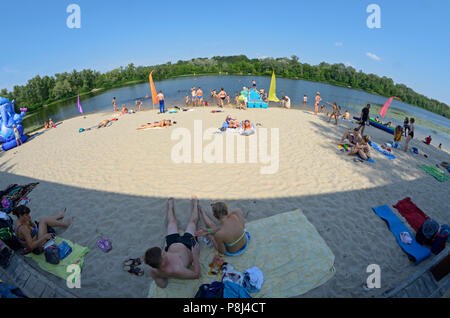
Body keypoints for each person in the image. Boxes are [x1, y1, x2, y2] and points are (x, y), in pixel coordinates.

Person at [144, 197, 201, 288]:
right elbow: (196, 275)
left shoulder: (154, 271)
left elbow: (162, 284)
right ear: (163, 263)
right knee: (192, 223)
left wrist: (163, 279)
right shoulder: (177, 269)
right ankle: (195, 204)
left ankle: (170, 206)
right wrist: (194, 254)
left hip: (172, 244)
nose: (164, 252)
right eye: (163, 254)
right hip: (188, 246)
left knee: (172, 222)